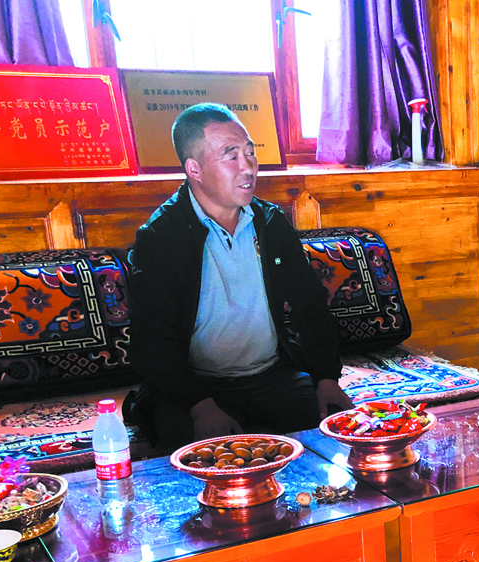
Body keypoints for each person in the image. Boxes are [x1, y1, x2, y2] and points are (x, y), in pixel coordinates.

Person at [126, 103, 352, 449]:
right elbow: (152, 341)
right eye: (230, 156)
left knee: (335, 431)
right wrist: (201, 406)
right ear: (194, 169)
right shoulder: (161, 237)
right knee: (196, 450)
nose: (247, 167)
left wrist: (326, 378)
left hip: (271, 376)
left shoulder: (270, 224)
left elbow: (311, 306)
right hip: (196, 389)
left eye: (250, 153)